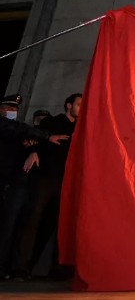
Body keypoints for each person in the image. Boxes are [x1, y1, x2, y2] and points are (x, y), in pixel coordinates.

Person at [13, 93, 81, 279]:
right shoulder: (52, 122)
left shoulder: (80, 127)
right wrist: (34, 152)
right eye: (78, 104)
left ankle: (56, 269)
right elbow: (34, 137)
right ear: (69, 105)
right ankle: (20, 267)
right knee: (32, 220)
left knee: (55, 225)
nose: (81, 108)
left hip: (65, 181)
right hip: (45, 178)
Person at [0, 95, 67, 278]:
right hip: (13, 183)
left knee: (14, 225)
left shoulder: (22, 133)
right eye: (8, 107)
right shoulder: (16, 129)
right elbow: (16, 129)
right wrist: (45, 136)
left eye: (14, 109)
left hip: (19, 183)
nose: (11, 111)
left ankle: (9, 267)